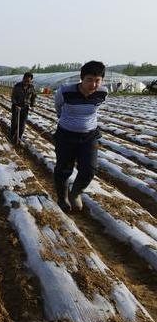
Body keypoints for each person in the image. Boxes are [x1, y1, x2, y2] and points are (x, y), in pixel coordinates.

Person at [53, 61, 107, 212]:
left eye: (97, 80)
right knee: (64, 169)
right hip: (66, 135)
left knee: (90, 169)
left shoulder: (103, 93)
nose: (94, 84)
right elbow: (58, 107)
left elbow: (95, 109)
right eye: (89, 80)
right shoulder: (65, 91)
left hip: (90, 136)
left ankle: (75, 193)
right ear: (82, 79)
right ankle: (62, 198)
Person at [10, 71, 37, 143]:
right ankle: (11, 137)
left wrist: (32, 105)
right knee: (14, 123)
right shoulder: (17, 86)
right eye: (26, 80)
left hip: (25, 108)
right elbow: (13, 97)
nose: (27, 82)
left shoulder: (31, 87)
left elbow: (33, 96)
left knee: (22, 126)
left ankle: (18, 138)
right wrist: (16, 105)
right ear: (23, 78)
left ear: (31, 80)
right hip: (16, 107)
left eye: (29, 80)